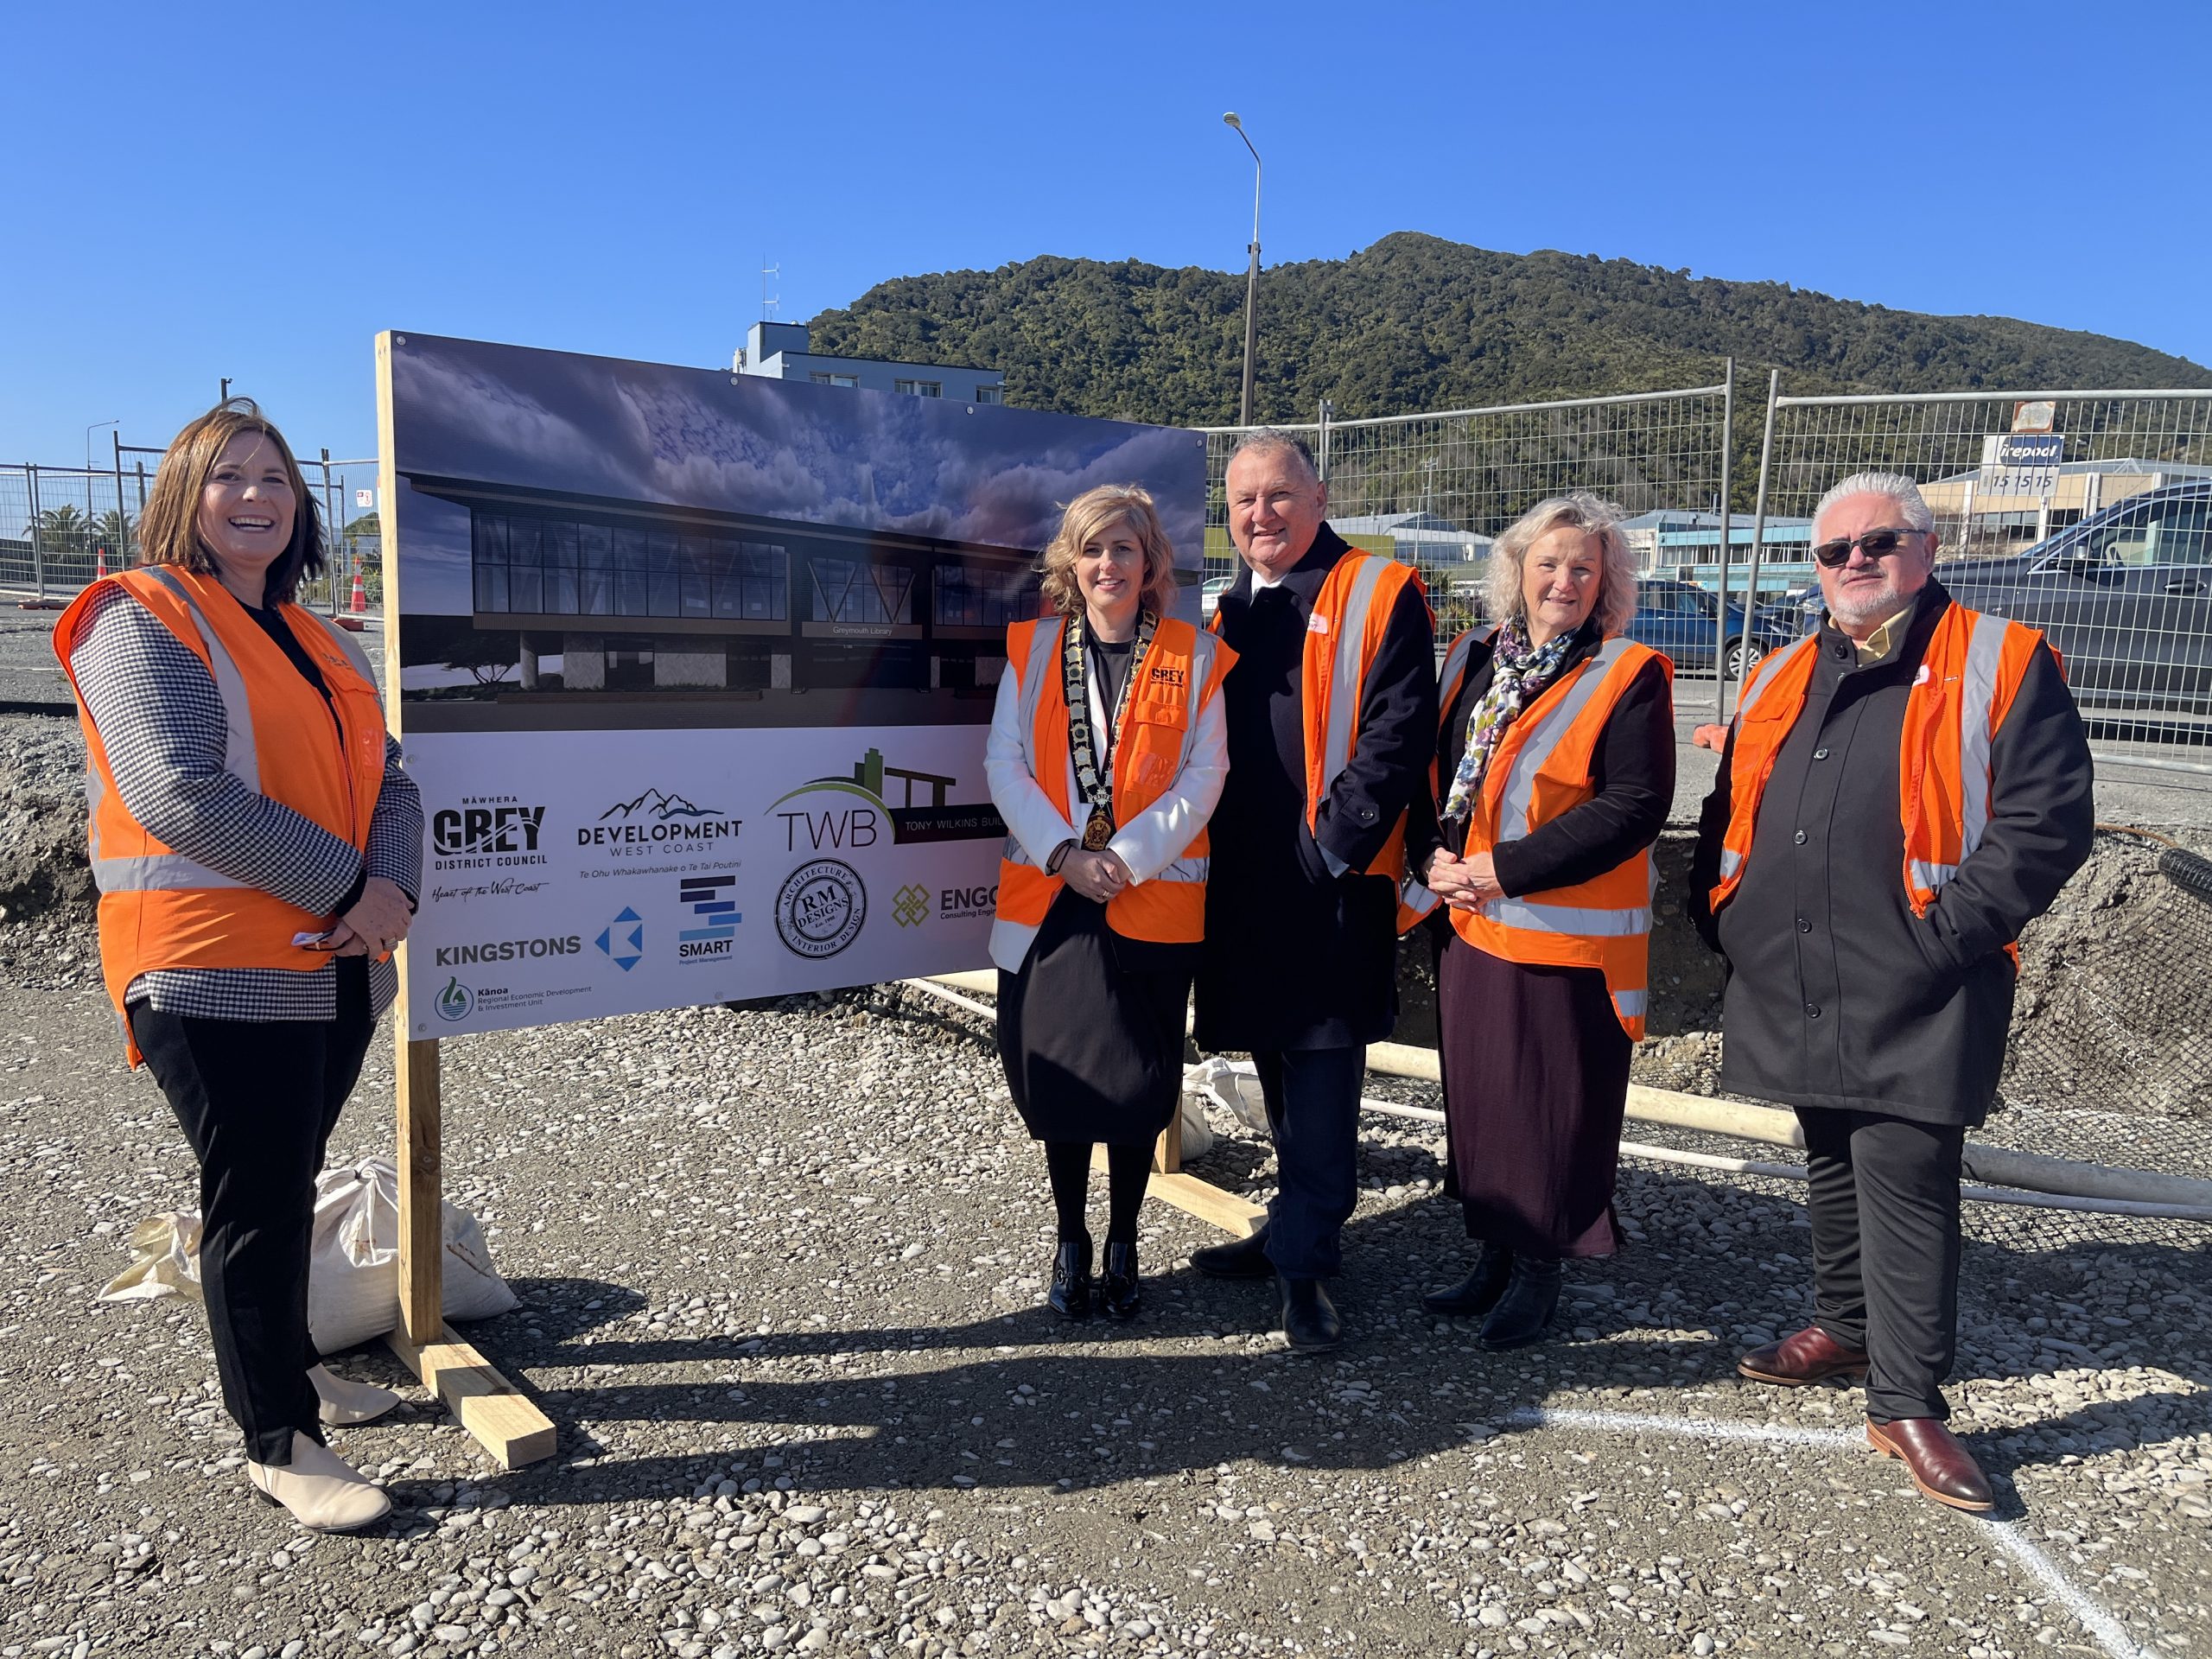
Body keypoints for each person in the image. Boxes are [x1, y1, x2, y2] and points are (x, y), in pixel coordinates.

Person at [1689, 471, 2094, 1512]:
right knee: (1825, 1143)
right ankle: (1843, 1325)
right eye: (1835, 551)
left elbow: (2045, 822)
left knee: (1904, 1171)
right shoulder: (1783, 668)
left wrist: (1944, 938)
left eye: (1879, 542)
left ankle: (1904, 1400)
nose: (1856, 561)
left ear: (1925, 550)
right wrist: (1721, 913)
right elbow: (1731, 795)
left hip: (1921, 965)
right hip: (1793, 957)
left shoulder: (2000, 657)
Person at [54, 400, 423, 1533]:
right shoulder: (141, 618)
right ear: (184, 498)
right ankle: (276, 1438)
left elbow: (393, 783)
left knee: (284, 1179)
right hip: (215, 970)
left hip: (337, 964)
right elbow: (179, 789)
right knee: (254, 1199)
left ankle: (295, 1379)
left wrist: (392, 892)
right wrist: (349, 889)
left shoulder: (320, 637)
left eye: (276, 478)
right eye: (229, 477)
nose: (256, 495)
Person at [1405, 494, 1674, 1349]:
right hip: (1471, 922)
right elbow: (1431, 771)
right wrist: (1428, 860)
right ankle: (1491, 1249)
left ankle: (1538, 1270)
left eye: (1584, 568)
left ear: (1607, 586)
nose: (1564, 580)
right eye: (1549, 563)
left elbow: (1635, 805)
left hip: (1562, 937)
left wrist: (1500, 867)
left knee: (1547, 1107)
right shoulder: (1471, 657)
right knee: (1482, 1103)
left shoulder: (1626, 672)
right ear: (1516, 571)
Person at [1190, 432, 1438, 1352]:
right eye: (1243, 500)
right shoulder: (1224, 611)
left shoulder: (1380, 589)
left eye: (1279, 495)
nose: (1260, 514)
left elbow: (1397, 731)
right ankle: (1292, 1227)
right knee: (1269, 1056)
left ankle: (1307, 1271)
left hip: (1329, 877)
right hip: (1239, 879)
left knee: (1324, 1069)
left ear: (1319, 495)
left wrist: (1328, 848)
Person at [986, 485, 1235, 1321]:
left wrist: (1121, 860)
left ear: (1149, 562)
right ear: (1071, 563)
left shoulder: (1194, 657)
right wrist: (1065, 855)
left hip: (1149, 904)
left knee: (1138, 1080)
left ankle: (1124, 1238)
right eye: (1091, 550)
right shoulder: (1032, 650)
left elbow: (1206, 777)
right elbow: (1005, 765)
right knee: (1059, 1084)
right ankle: (1071, 1239)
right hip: (1055, 902)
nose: (1106, 565)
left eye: (1123, 550)